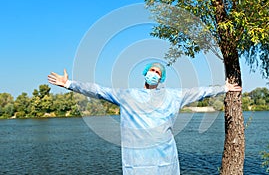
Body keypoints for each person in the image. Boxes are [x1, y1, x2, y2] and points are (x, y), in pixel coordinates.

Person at [48, 62, 242, 175]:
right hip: (136, 161)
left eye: (158, 72)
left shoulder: (173, 96)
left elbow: (199, 92)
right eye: (152, 70)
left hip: (164, 160)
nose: (154, 74)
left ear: (161, 78)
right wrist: (69, 84)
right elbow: (99, 90)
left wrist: (223, 88)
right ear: (145, 73)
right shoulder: (128, 95)